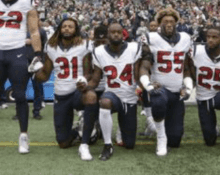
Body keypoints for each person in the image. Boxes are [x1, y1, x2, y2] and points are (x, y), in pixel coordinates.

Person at [30, 17, 98, 161]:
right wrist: (34, 71)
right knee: (63, 142)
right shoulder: (51, 47)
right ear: (60, 29)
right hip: (61, 95)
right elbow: (45, 75)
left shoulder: (84, 45)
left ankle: (84, 143)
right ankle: (79, 131)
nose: (67, 29)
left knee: (90, 96)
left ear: (76, 29)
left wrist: (84, 81)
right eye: (64, 26)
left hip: (77, 92)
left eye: (70, 27)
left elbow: (88, 72)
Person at [139, 8, 193, 156]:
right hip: (161, 89)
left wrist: (188, 88)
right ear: (159, 24)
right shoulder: (151, 38)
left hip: (176, 93)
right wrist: (148, 85)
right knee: (157, 96)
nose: (169, 24)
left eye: (171, 21)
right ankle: (161, 138)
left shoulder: (185, 38)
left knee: (175, 140)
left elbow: (186, 67)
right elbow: (144, 66)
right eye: (165, 22)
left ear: (176, 23)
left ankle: (157, 128)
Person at [0, 0, 43, 154]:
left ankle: (23, 136)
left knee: (20, 95)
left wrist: (38, 54)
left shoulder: (27, 1)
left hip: (17, 51)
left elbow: (34, 30)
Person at [87, 22, 142, 161]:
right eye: (113, 32)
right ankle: (107, 144)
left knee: (129, 144)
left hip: (129, 98)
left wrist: (144, 88)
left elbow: (138, 75)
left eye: (119, 32)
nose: (116, 34)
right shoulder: (99, 52)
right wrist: (85, 87)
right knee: (104, 102)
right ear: (107, 35)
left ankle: (119, 128)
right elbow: (95, 79)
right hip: (112, 95)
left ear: (123, 34)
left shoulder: (134, 48)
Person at [184, 26, 220, 157]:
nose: (210, 40)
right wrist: (186, 87)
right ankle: (214, 128)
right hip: (203, 99)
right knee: (210, 141)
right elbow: (187, 71)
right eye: (208, 37)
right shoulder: (196, 51)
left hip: (219, 96)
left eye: (214, 37)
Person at [25, 22, 48, 120]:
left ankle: (36, 111)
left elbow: (45, 45)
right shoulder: (21, 31)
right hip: (23, 63)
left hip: (36, 64)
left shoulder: (41, 31)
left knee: (38, 88)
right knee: (20, 89)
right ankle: (19, 112)